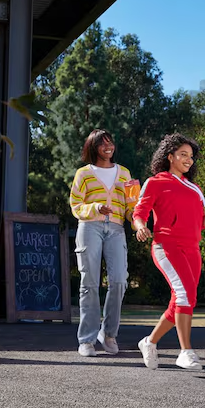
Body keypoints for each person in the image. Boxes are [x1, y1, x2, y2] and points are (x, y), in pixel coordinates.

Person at [131, 134, 205, 370]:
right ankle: (185, 351)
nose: (188, 160)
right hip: (166, 247)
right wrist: (140, 227)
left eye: (190, 156)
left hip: (192, 249)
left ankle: (149, 342)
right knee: (184, 296)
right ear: (170, 157)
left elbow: (200, 223)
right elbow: (139, 212)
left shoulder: (194, 188)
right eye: (183, 155)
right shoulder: (156, 182)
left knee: (182, 300)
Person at [69, 129, 140, 357]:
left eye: (110, 143)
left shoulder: (125, 174)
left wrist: (139, 223)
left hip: (117, 229)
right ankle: (86, 340)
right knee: (89, 283)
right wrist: (95, 208)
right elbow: (75, 205)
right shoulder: (83, 173)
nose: (108, 147)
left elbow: (133, 206)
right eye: (103, 144)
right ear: (93, 147)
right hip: (90, 227)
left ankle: (108, 334)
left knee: (119, 281)